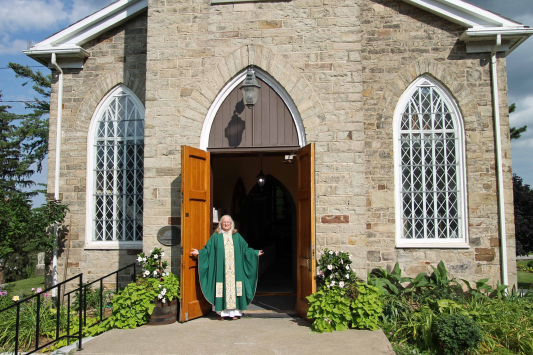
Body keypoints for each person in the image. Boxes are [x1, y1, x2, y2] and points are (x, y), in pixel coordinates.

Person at [191, 215, 264, 320]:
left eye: (228, 222)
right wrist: (199, 252)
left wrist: (255, 253)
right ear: (220, 223)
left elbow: (245, 249)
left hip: (235, 270)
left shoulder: (237, 236)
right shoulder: (216, 236)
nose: (226, 224)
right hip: (221, 271)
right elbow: (208, 249)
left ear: (231, 224)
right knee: (221, 289)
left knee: (235, 290)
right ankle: (222, 313)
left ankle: (235, 313)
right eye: (224, 222)